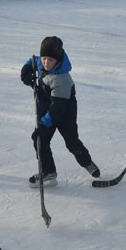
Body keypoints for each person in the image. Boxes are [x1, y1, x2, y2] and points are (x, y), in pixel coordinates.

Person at [20, 36, 99, 187]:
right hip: (46, 112)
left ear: (58, 59)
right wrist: (25, 71)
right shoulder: (42, 62)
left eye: (50, 60)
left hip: (64, 115)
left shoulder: (62, 79)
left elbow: (57, 109)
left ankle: (88, 163)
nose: (46, 63)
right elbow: (32, 60)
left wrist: (44, 124)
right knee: (40, 140)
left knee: (72, 143)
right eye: (44, 59)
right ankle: (49, 173)